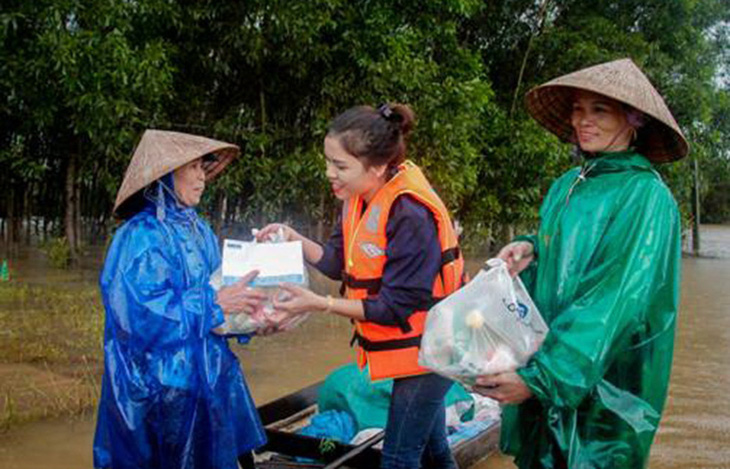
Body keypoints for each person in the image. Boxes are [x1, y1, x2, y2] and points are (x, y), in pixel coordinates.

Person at [474, 58, 687, 468]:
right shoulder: (566, 186)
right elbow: (564, 266)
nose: (582, 121)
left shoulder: (646, 197)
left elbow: (615, 301)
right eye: (577, 109)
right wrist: (530, 249)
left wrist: (541, 379)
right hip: (551, 370)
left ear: (634, 119)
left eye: (599, 110)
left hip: (608, 390)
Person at [256, 103, 466, 469]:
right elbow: (338, 263)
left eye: (340, 167)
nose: (329, 174)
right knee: (433, 451)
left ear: (378, 166)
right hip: (407, 348)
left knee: (399, 459)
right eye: (328, 162)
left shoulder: (410, 214)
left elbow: (394, 307)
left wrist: (319, 304)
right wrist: (293, 240)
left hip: (432, 350)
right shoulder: (357, 197)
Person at [93, 130, 267, 469]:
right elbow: (140, 319)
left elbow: (221, 297)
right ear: (165, 175)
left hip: (207, 378)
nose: (203, 177)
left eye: (204, 168)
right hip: (157, 388)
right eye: (193, 169)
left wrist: (253, 316)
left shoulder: (198, 229)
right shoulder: (139, 236)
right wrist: (215, 304)